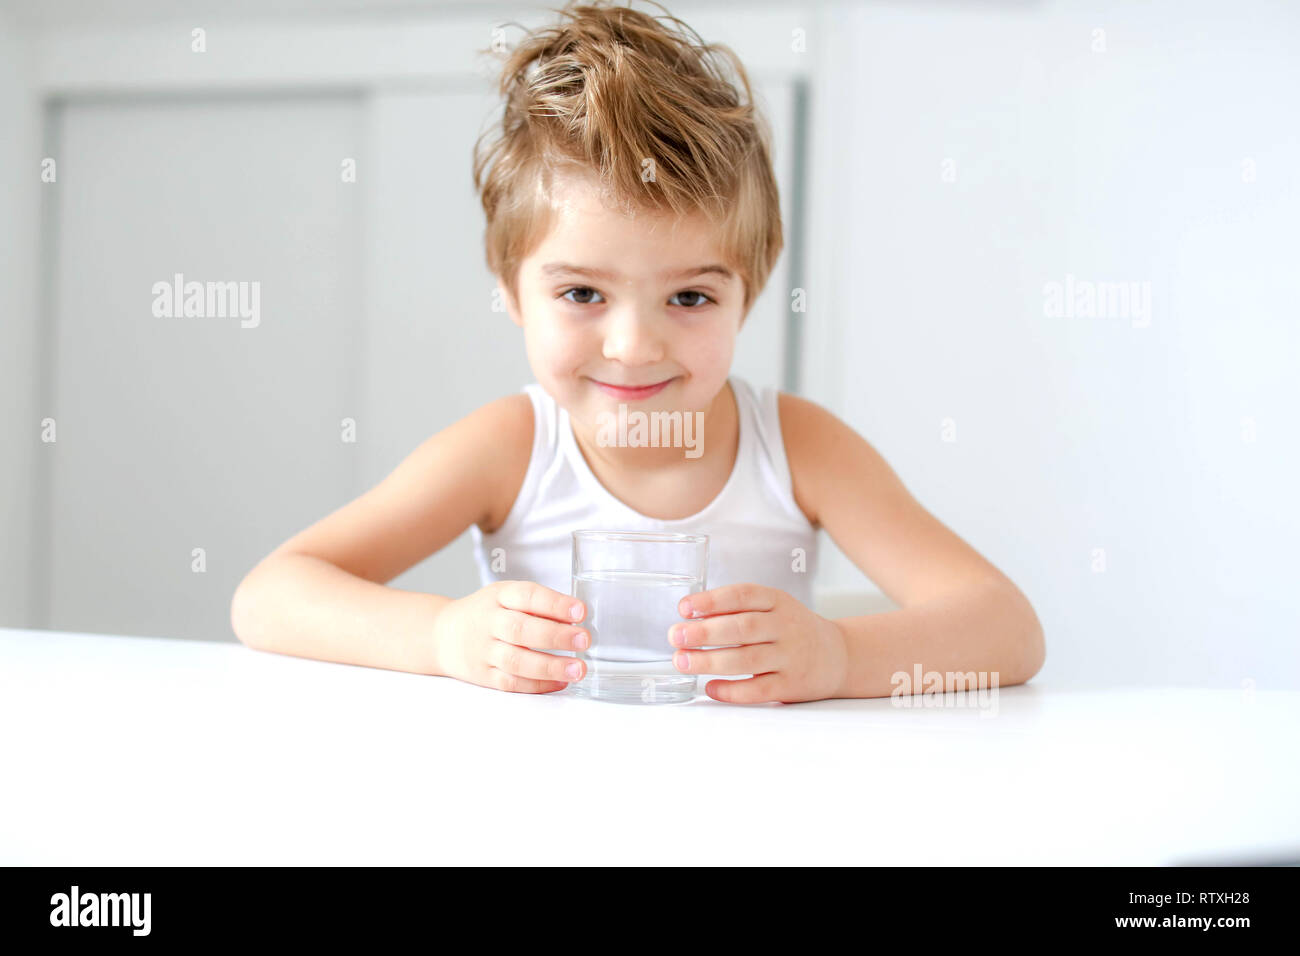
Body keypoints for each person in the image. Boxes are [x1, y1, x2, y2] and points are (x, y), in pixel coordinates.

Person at [231, 0, 1044, 703]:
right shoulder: (512, 449)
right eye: (582, 294)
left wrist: (837, 655)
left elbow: (1006, 629)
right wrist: (443, 635)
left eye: (689, 298)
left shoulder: (797, 449)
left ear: (747, 294)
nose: (631, 346)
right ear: (513, 292)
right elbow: (271, 596)